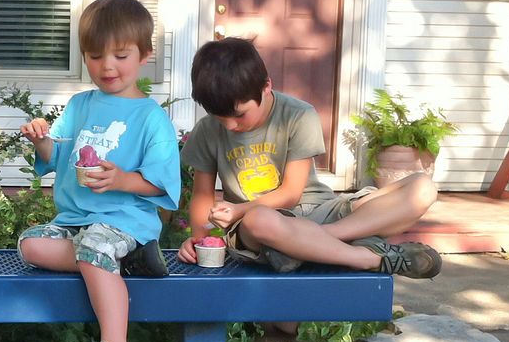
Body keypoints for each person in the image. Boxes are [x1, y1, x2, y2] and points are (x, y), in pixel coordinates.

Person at [18, 0, 181, 342]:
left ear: (145, 55)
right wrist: (41, 140)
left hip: (125, 220)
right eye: (94, 56)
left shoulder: (151, 117)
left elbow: (161, 183)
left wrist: (122, 179)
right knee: (29, 245)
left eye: (121, 56)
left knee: (96, 245)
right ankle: (121, 263)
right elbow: (56, 156)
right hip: (74, 222)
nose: (107, 66)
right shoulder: (79, 105)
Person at [175, 37, 441, 279]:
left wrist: (239, 210)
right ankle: (365, 257)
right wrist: (200, 240)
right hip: (260, 228)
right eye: (221, 119)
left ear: (266, 86)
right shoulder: (208, 131)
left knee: (423, 187)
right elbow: (202, 195)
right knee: (260, 219)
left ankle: (306, 246)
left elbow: (291, 193)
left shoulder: (298, 115)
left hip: (321, 212)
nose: (231, 126)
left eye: (240, 115)